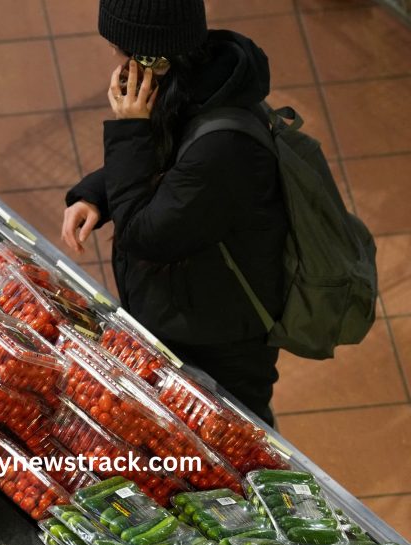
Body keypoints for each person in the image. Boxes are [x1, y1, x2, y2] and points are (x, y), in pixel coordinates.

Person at [61, 0, 288, 426]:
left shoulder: (224, 147)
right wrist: (95, 195)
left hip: (218, 334)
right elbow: (166, 162)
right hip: (179, 306)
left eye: (121, 48)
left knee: (235, 431)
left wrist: (129, 128)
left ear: (155, 59)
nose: (115, 56)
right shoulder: (195, 82)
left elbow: (147, 235)